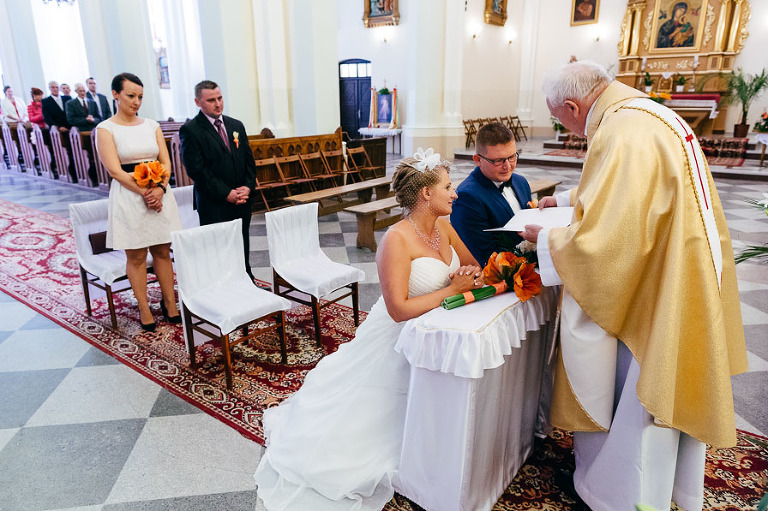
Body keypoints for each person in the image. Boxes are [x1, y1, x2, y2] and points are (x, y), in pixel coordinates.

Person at [519, 61, 747, 510]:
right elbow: (631, 190)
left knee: (637, 394)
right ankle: (662, 488)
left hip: (652, 286)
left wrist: (548, 240)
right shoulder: (643, 113)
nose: (564, 128)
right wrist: (565, 199)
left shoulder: (619, 129)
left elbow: (607, 241)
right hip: (678, 267)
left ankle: (616, 494)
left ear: (572, 106)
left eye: (559, 118)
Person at [254, 150, 483, 510]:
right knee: (370, 426)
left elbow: (473, 266)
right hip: (395, 339)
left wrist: (468, 275)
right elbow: (398, 310)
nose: (455, 193)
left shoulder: (444, 226)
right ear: (426, 193)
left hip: (435, 329)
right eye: (448, 186)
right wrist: (452, 290)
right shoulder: (396, 240)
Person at [95, 72, 183, 332]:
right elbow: (114, 170)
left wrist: (160, 188)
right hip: (129, 195)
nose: (136, 102)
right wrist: (145, 192)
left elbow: (165, 161)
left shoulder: (151, 125)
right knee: (136, 256)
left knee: (162, 251)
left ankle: (170, 303)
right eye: (131, 96)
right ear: (115, 94)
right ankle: (144, 308)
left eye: (140, 97)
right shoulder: (106, 128)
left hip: (159, 193)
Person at [179, 80, 257, 278]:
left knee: (242, 242)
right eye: (211, 100)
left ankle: (246, 278)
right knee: (218, 248)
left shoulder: (235, 125)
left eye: (220, 98)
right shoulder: (191, 130)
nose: (218, 104)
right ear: (198, 102)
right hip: (214, 202)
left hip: (241, 199)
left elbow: (249, 161)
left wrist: (247, 187)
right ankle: (222, 284)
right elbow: (197, 170)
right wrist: (226, 193)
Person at [450, 122, 532, 266]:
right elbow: (482, 256)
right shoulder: (467, 197)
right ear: (478, 160)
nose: (508, 166)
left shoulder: (521, 182)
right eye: (498, 161)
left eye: (512, 157)